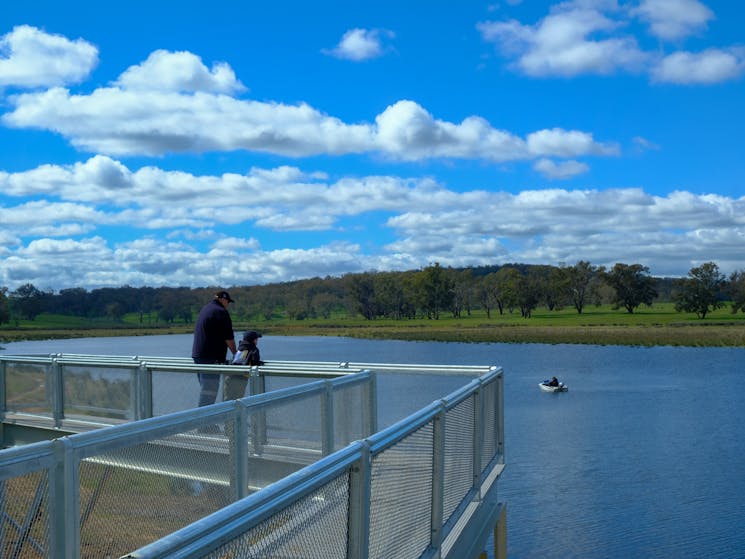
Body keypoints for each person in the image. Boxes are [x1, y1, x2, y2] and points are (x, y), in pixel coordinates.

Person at [192, 290, 237, 407]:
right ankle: (202, 423)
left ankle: (205, 423)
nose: (228, 305)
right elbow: (229, 337)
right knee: (209, 394)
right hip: (211, 358)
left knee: (205, 391)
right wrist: (236, 355)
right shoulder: (221, 312)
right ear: (223, 299)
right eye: (228, 301)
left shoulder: (205, 309)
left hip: (198, 357)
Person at [224, 330, 264, 401]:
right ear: (253, 340)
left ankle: (225, 412)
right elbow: (255, 362)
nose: (257, 341)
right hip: (241, 379)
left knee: (227, 400)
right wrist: (259, 363)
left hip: (229, 376)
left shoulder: (240, 348)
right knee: (237, 400)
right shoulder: (253, 349)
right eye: (256, 339)